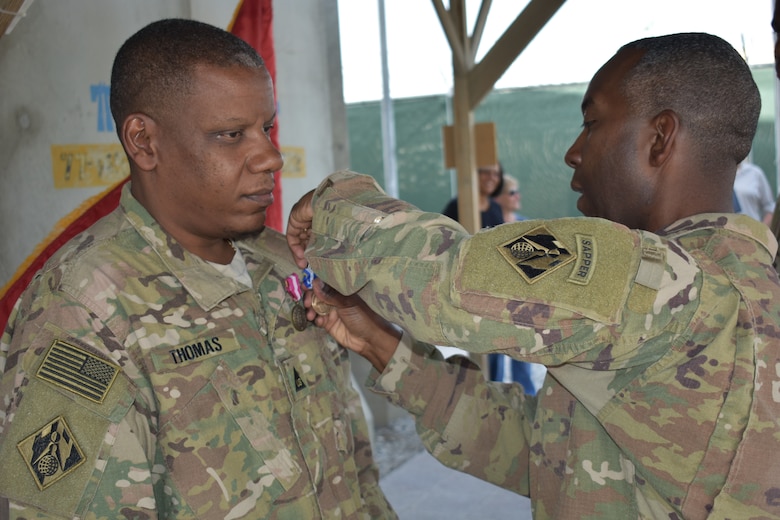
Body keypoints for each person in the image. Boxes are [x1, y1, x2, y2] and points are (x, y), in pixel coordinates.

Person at [287, 32, 780, 519]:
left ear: (660, 138)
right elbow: (557, 457)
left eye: (591, 123)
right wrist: (381, 344)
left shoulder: (649, 277)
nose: (573, 150)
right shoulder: (747, 287)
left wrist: (335, 205)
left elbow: (453, 271)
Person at [0, 19, 395, 520]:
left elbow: (354, 461)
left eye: (266, 128)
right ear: (143, 142)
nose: (271, 157)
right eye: (231, 135)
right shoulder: (83, 308)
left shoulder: (282, 261)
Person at [441, 162, 504, 228]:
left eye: (496, 174)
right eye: (486, 172)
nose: (491, 177)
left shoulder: (496, 207)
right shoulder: (458, 206)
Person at [734, 158, 775, 225]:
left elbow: (770, 207)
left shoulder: (755, 173)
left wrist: (761, 231)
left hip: (752, 231)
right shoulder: (715, 175)